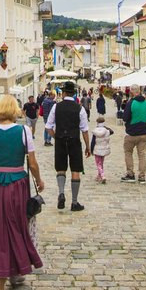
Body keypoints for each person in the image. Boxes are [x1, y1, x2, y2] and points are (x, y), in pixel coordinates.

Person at [0, 95, 44, 290]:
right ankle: (14, 273)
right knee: (18, 228)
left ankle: (3, 280)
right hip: (18, 184)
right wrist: (39, 181)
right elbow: (32, 163)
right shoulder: (24, 131)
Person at [47, 81, 89, 210]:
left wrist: (56, 137)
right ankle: (74, 202)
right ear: (74, 93)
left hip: (60, 140)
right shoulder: (80, 109)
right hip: (74, 141)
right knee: (75, 170)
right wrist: (88, 146)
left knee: (61, 168)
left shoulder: (56, 107)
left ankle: (61, 193)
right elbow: (84, 130)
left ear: (64, 93)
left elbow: (48, 127)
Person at [118, 87, 146, 183]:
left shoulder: (131, 103)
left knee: (128, 152)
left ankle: (130, 174)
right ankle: (142, 176)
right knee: (142, 154)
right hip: (144, 132)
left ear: (132, 92)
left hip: (131, 133)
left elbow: (125, 117)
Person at [90, 116, 113, 183]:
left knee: (98, 163)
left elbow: (93, 141)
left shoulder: (95, 131)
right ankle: (99, 175)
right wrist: (105, 127)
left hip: (97, 149)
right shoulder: (106, 131)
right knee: (101, 163)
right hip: (104, 149)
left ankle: (102, 175)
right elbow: (112, 131)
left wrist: (91, 150)